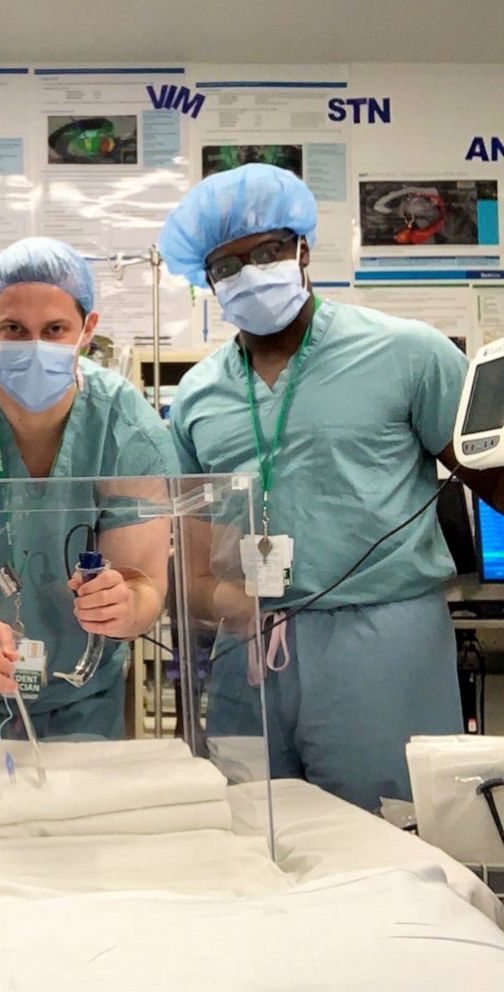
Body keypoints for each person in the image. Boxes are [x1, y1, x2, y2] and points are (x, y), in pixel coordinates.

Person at [158, 163, 504, 811]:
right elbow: (193, 557)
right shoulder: (200, 397)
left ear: (303, 250)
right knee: (252, 836)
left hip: (380, 643)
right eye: (226, 267)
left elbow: (495, 476)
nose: (249, 273)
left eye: (266, 252)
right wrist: (222, 606)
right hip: (250, 646)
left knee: (390, 837)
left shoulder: (408, 354)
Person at [0, 237, 175, 745]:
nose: (35, 345)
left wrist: (125, 604)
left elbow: (145, 584)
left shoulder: (129, 431)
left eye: (55, 330)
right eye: (14, 330)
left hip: (84, 691)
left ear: (88, 330)